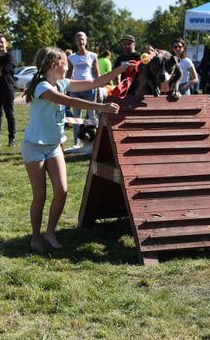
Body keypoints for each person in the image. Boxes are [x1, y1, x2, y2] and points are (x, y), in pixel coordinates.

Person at [22, 47, 133, 252]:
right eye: (66, 63)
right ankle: (36, 237)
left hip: (54, 146)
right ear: (55, 66)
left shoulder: (62, 82)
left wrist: (121, 69)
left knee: (62, 191)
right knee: (40, 195)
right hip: (34, 147)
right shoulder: (41, 87)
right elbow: (70, 101)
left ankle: (50, 232)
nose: (69, 67)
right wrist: (102, 108)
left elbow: (94, 83)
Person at [67, 31, 99, 148]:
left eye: (83, 39)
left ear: (86, 41)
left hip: (90, 88)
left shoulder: (93, 56)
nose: (81, 41)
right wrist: (66, 87)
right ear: (75, 42)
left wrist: (99, 87)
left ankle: (96, 141)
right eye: (78, 39)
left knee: (92, 116)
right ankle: (76, 142)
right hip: (75, 89)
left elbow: (96, 73)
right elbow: (69, 73)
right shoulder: (71, 57)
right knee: (76, 118)